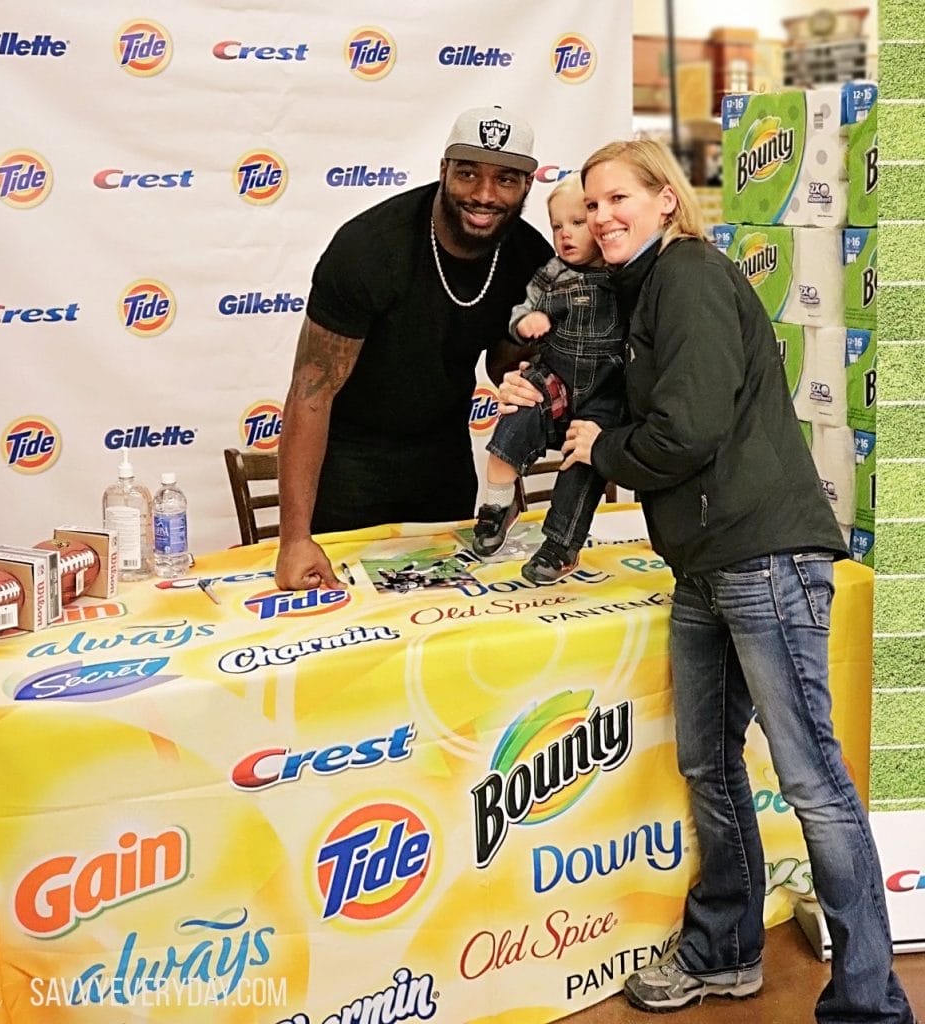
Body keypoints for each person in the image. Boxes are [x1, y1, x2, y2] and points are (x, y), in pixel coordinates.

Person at [544, 139, 913, 1020]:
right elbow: (625, 401)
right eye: (589, 206)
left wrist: (606, 450)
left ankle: (871, 1004)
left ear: (667, 200)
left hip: (762, 557)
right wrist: (553, 401)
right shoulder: (638, 296)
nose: (600, 218)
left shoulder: (691, 277)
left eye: (617, 198)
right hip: (704, 566)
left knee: (812, 780)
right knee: (709, 766)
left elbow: (687, 429)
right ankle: (724, 950)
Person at [274, 105, 552, 592]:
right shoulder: (370, 248)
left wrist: (531, 337)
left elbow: (500, 367)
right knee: (346, 625)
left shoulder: (531, 258)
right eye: (468, 174)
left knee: (441, 617)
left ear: (527, 186)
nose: (485, 195)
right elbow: (311, 391)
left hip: (443, 457)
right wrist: (294, 538)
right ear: (443, 170)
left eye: (505, 180)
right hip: (352, 463)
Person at [470, 173, 622, 584]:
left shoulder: (622, 273)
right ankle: (500, 505)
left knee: (583, 459)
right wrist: (527, 323)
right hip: (555, 376)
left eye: (576, 223)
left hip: (605, 392)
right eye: (557, 226)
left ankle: (562, 543)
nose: (565, 235)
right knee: (517, 415)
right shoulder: (551, 273)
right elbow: (520, 315)